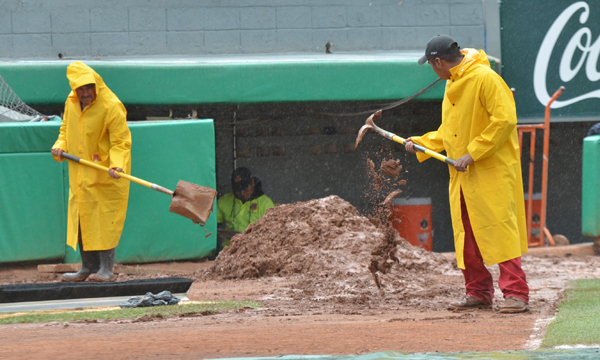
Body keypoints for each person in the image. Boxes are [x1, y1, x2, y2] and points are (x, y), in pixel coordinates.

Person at [405, 35, 529, 313]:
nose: (432, 70)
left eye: (431, 65)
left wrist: (473, 153)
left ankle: (517, 294)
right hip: (463, 176)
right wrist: (421, 143)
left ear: (438, 62)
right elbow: (450, 135)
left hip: (491, 173)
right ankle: (478, 292)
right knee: (467, 236)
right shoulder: (454, 83)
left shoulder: (485, 78)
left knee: (501, 232)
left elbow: (505, 120)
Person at [51, 62, 131, 282]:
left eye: (88, 87)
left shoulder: (111, 105)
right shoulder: (71, 103)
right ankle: (87, 267)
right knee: (82, 220)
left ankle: (106, 270)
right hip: (80, 173)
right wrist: (60, 145)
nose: (85, 93)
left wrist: (116, 164)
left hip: (105, 173)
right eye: (80, 88)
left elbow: (120, 141)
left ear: (96, 84)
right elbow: (65, 129)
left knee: (104, 221)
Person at [215, 167, 275, 249]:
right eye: (238, 190)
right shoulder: (225, 201)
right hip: (229, 251)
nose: (242, 193)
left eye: (245, 188)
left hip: (254, 251)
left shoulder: (265, 204)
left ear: (253, 183)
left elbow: (273, 232)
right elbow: (212, 224)